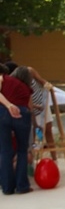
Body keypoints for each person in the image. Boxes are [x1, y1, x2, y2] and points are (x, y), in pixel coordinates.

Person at [0, 64, 33, 195]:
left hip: (2, 113)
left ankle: (7, 187)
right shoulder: (27, 89)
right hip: (22, 113)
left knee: (5, 151)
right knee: (22, 150)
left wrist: (8, 105)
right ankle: (22, 186)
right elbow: (30, 107)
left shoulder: (4, 79)